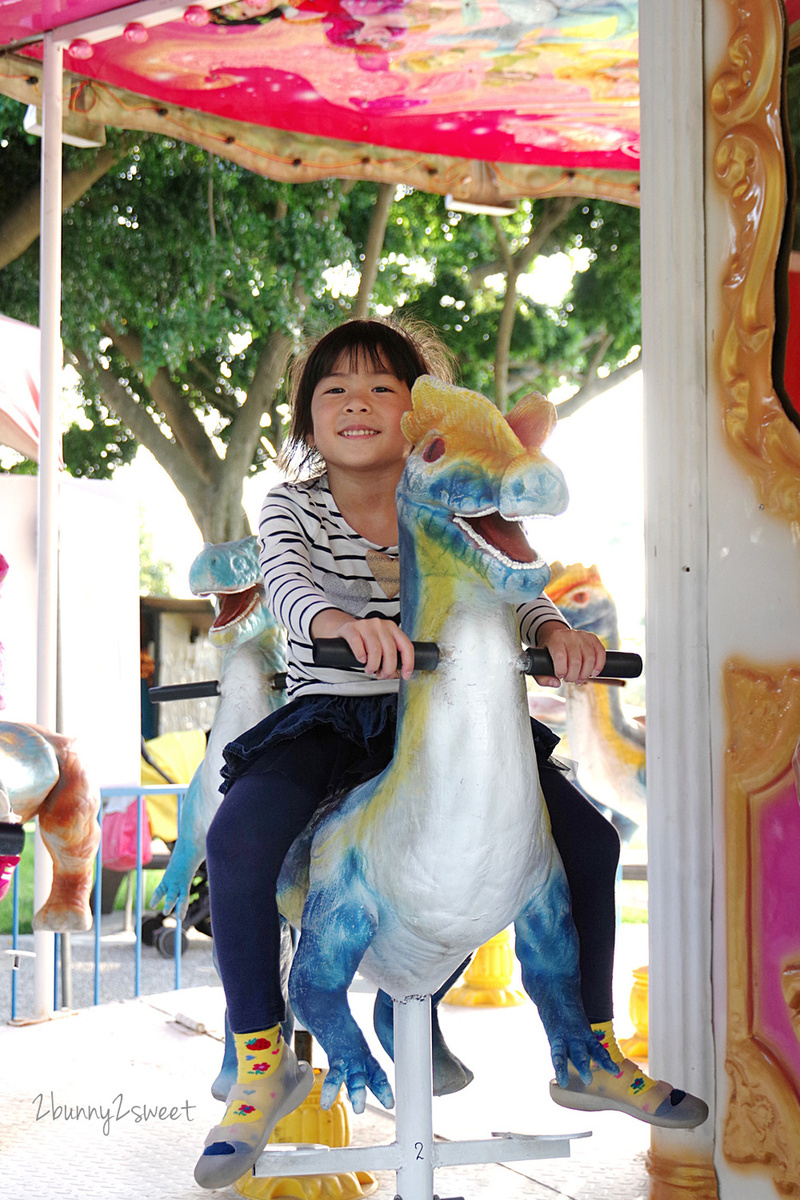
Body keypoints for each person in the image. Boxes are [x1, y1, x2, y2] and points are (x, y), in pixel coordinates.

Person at [194, 318, 707, 1189]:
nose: (357, 402)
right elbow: (283, 579)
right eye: (334, 390)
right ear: (308, 422)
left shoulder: (446, 491)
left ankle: (582, 1047)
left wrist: (555, 629)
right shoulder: (294, 504)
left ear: (415, 415)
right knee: (236, 842)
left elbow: (508, 580)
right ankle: (260, 1054)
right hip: (335, 716)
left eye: (382, 389)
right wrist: (337, 624)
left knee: (593, 843)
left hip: (450, 719)